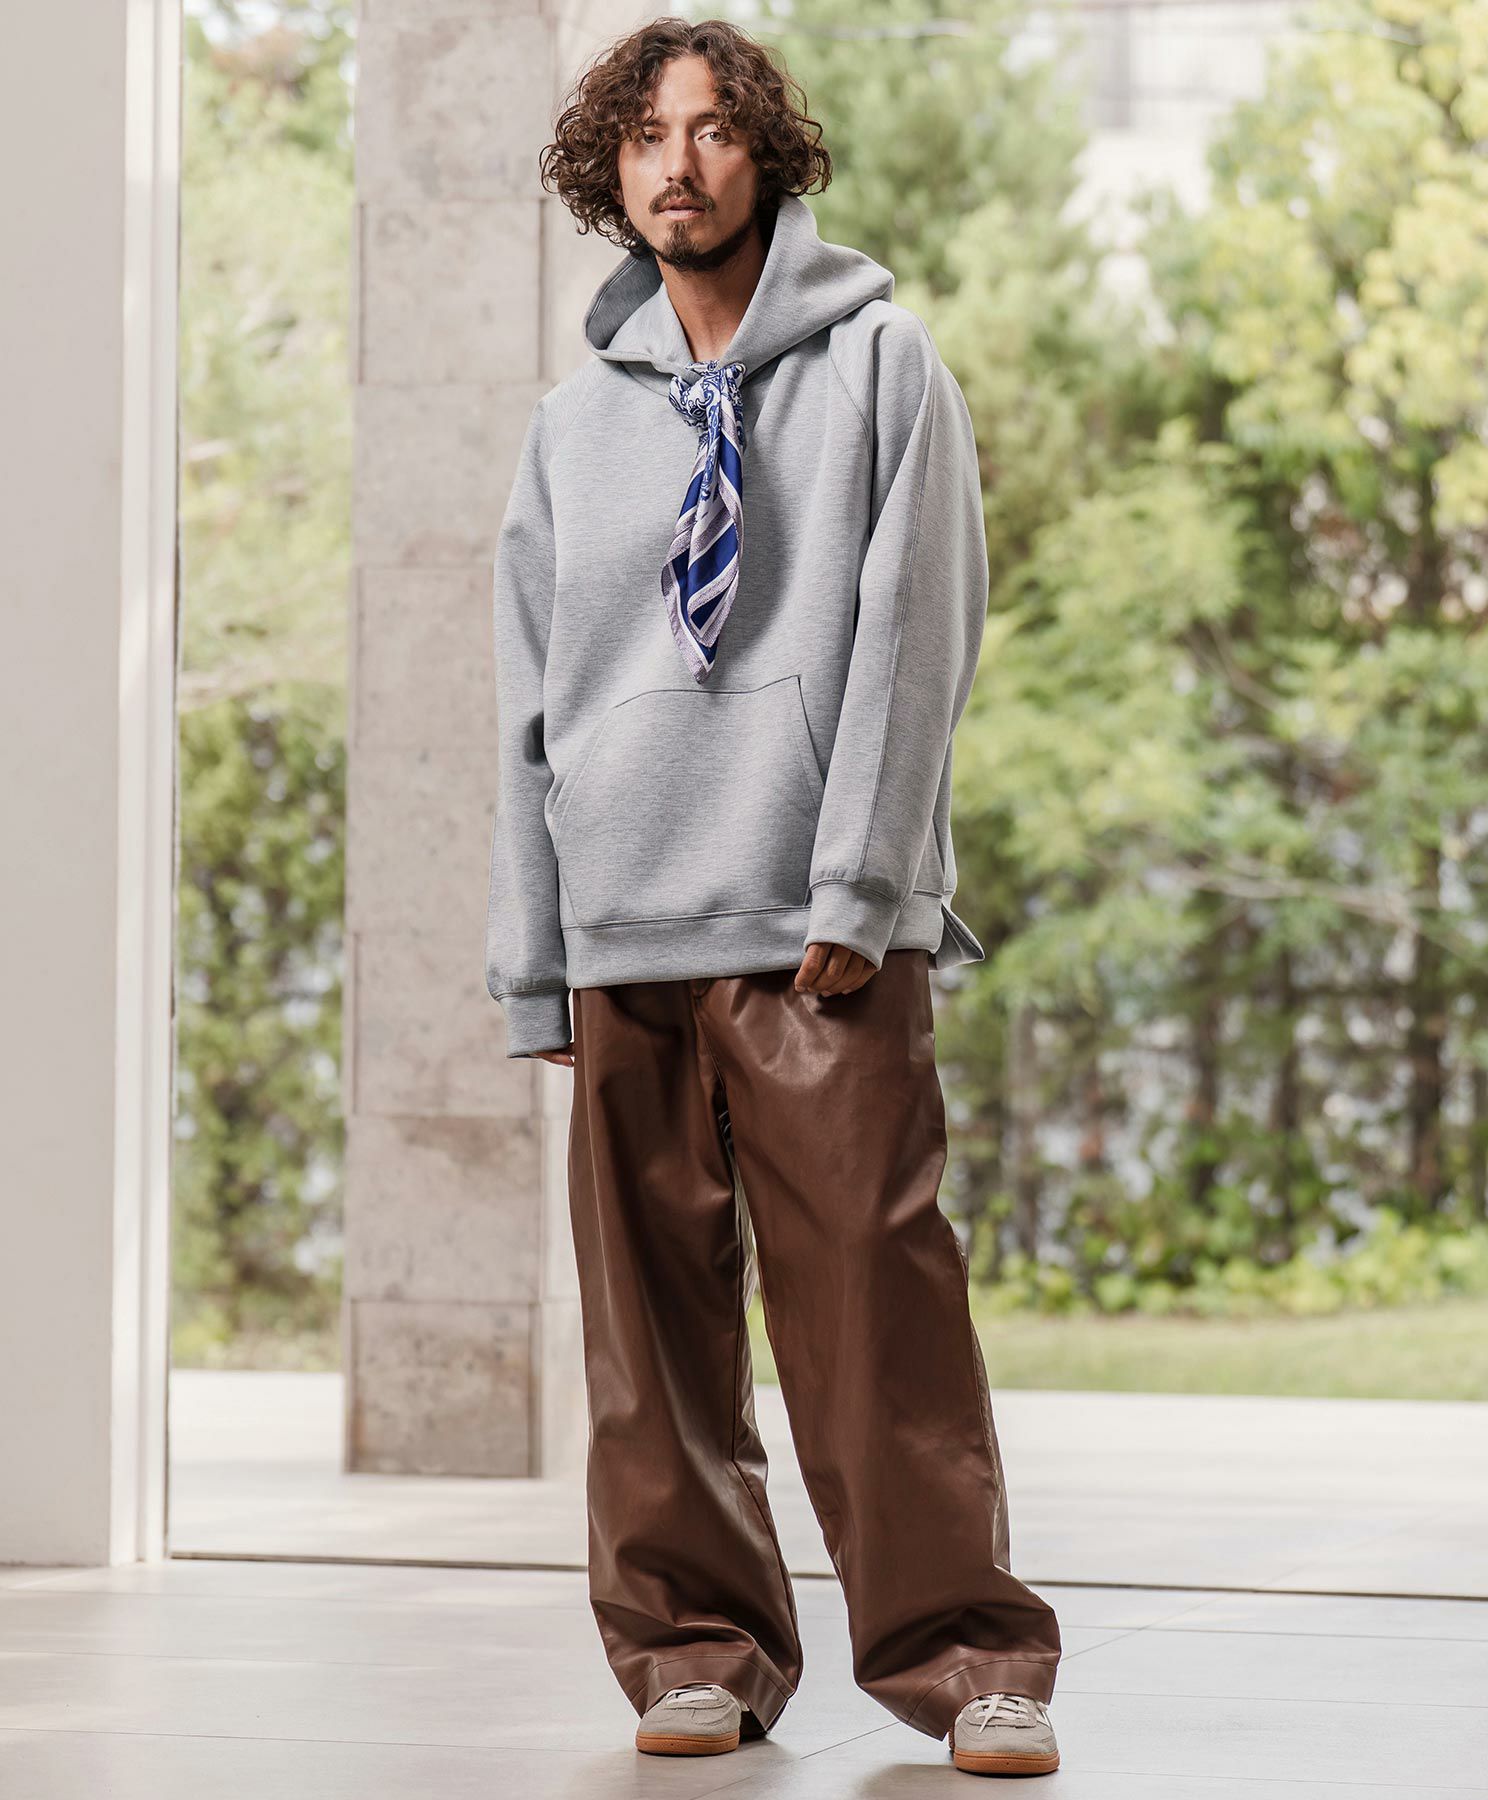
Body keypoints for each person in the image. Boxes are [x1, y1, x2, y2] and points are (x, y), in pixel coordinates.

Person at [484, 16, 1063, 1779]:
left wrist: (865, 878)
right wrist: (535, 960)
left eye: (714, 130)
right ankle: (696, 1649)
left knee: (878, 1304)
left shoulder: (882, 363)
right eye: (646, 136)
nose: (679, 164)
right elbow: (526, 705)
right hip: (624, 921)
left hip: (817, 923)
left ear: (769, 157)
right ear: (611, 173)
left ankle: (968, 1660)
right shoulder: (571, 429)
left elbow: (916, 634)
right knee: (649, 1334)